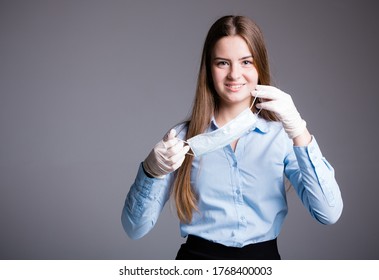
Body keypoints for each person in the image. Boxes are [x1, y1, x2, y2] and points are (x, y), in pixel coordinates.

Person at [121, 15, 343, 260]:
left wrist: (299, 130)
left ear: (260, 65)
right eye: (222, 63)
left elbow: (328, 213)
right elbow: (134, 229)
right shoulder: (182, 140)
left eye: (246, 62)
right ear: (209, 69)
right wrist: (151, 171)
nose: (235, 74)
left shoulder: (281, 136)